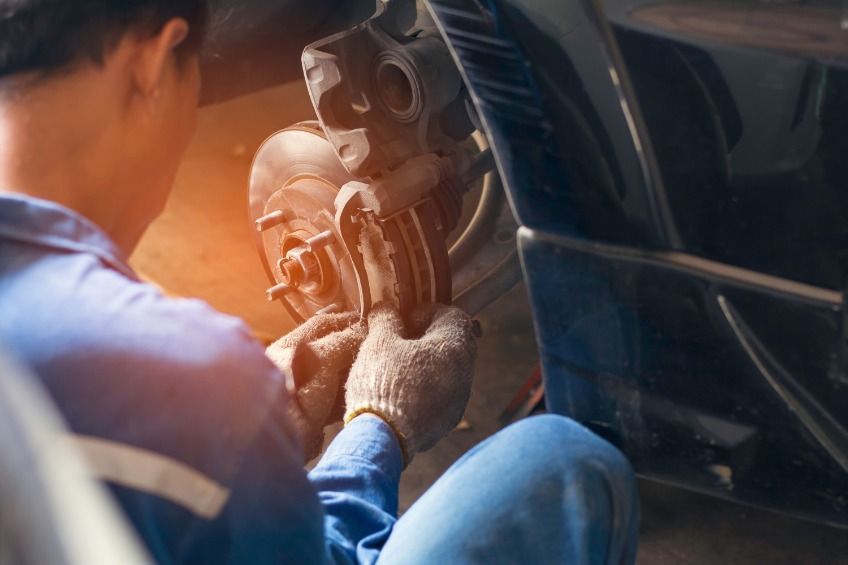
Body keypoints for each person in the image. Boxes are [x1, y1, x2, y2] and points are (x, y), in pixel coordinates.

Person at [0, 1, 639, 563]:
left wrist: (242, 430)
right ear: (154, 63)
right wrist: (376, 427)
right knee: (567, 468)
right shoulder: (179, 367)